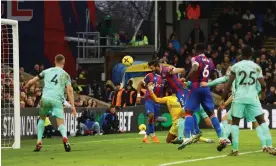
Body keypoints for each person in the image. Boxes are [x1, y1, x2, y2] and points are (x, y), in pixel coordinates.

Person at [222, 46, 275, 156]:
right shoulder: (256, 67)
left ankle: (235, 149)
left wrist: (223, 96)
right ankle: (270, 146)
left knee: (235, 122)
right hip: (252, 97)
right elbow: (263, 84)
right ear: (251, 55)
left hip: (239, 97)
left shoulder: (236, 66)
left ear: (241, 55)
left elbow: (229, 83)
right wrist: (262, 93)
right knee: (261, 121)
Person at [25, 54, 76, 152]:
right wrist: (73, 106)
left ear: (54, 61)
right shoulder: (65, 75)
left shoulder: (46, 71)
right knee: (60, 122)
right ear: (63, 62)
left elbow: (32, 81)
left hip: (45, 98)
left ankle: (39, 140)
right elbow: (69, 90)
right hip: (57, 100)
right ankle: (65, 138)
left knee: (42, 118)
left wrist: (26, 86)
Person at [178, 43, 222, 150]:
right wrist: (210, 85)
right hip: (206, 88)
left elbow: (194, 69)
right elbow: (214, 74)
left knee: (188, 112)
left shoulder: (196, 58)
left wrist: (186, 79)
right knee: (211, 114)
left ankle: (187, 137)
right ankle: (222, 137)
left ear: (195, 50)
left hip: (196, 88)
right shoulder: (210, 61)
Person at [148, 83, 214, 144]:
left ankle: (184, 139)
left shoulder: (168, 98)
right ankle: (204, 139)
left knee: (170, 140)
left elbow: (156, 100)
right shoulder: (182, 97)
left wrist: (151, 91)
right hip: (182, 120)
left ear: (167, 93)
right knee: (170, 140)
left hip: (178, 121)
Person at [136, 72, 164, 143]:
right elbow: (140, 84)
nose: (152, 69)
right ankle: (151, 136)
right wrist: (138, 96)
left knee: (153, 119)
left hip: (157, 100)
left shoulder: (163, 78)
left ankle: (149, 136)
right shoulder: (149, 75)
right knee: (151, 115)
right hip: (149, 99)